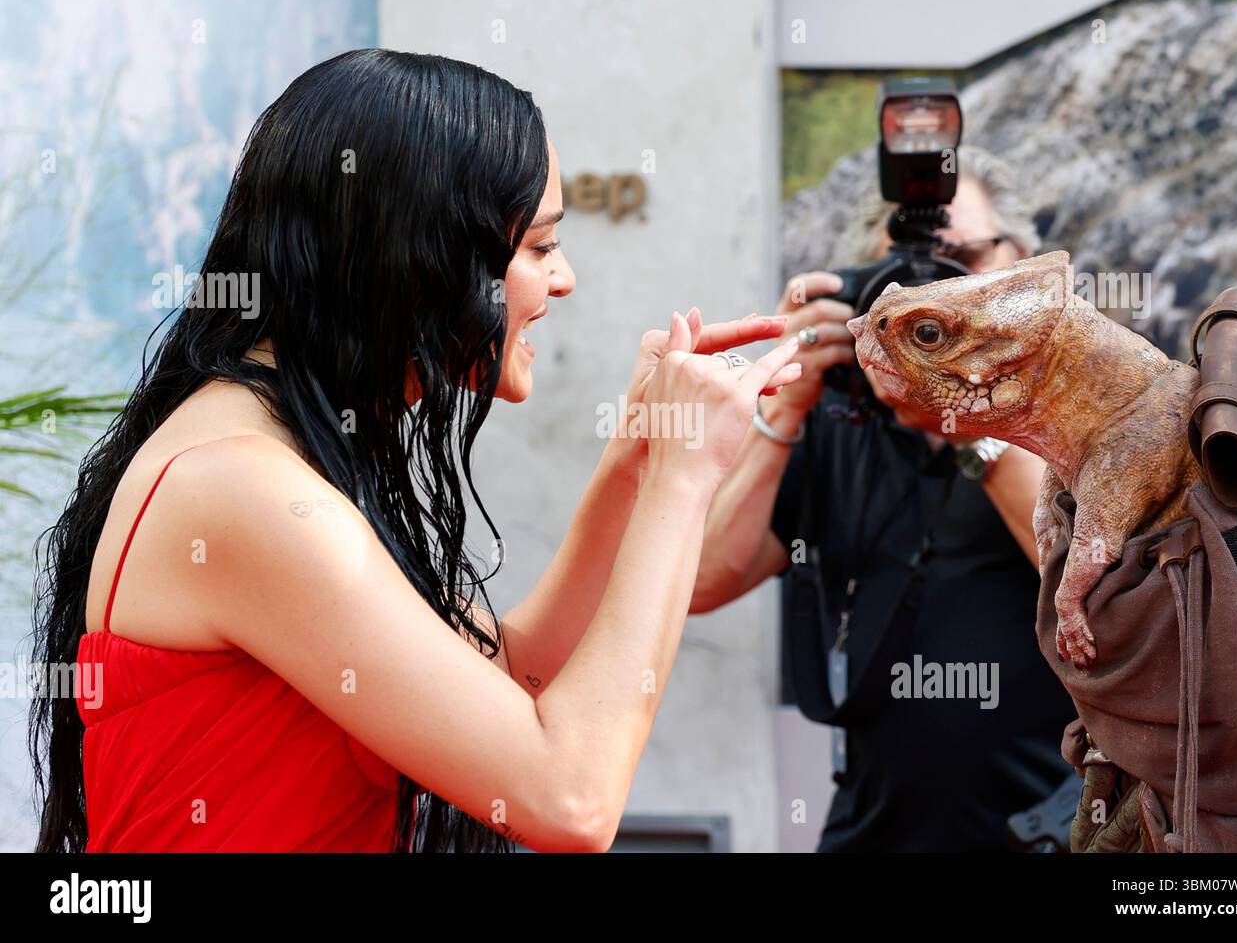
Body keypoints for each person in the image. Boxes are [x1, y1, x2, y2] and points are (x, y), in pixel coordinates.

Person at [27, 49, 804, 854]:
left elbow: (519, 675)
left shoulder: (269, 453)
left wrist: (641, 459)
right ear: (420, 255)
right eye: (538, 248)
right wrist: (686, 480)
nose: (564, 280)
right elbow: (570, 798)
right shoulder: (243, 491)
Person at [692, 146, 1078, 852]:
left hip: (1052, 832)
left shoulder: (1070, 411)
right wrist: (784, 401)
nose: (939, 298)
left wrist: (970, 426)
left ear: (1021, 264)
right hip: (869, 832)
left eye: (962, 260)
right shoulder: (841, 424)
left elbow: (1103, 593)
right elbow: (702, 580)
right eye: (910, 279)